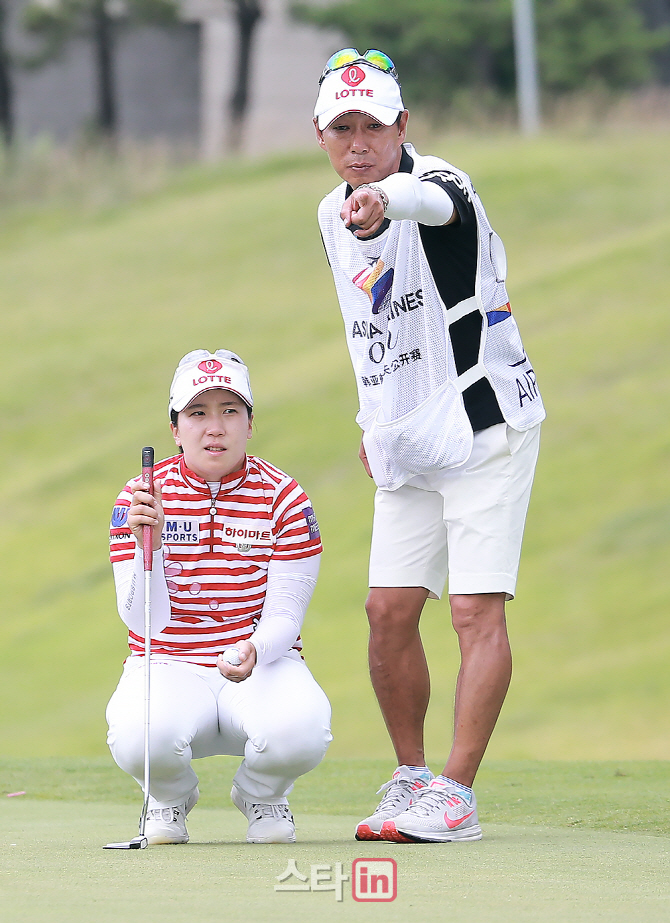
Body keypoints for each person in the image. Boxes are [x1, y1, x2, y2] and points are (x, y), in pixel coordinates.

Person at [313, 49, 545, 843]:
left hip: (485, 425)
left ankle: (456, 791)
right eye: (341, 128)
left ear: (401, 125)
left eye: (372, 124)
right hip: (408, 440)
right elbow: (369, 331)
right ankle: (411, 777)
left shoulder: (442, 183)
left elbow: (427, 202)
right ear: (321, 136)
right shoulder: (326, 216)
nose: (357, 142)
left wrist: (385, 197)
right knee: (386, 612)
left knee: (476, 610)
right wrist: (375, 425)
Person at [107, 348, 332, 845]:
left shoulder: (284, 496)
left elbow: (286, 612)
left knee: (303, 731)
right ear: (175, 427)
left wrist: (256, 649)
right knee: (140, 738)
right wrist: (153, 549)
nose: (215, 427)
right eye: (198, 413)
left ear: (250, 424)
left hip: (259, 663)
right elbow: (145, 622)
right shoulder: (140, 498)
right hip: (168, 662)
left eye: (230, 411)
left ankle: (261, 793)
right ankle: (169, 799)